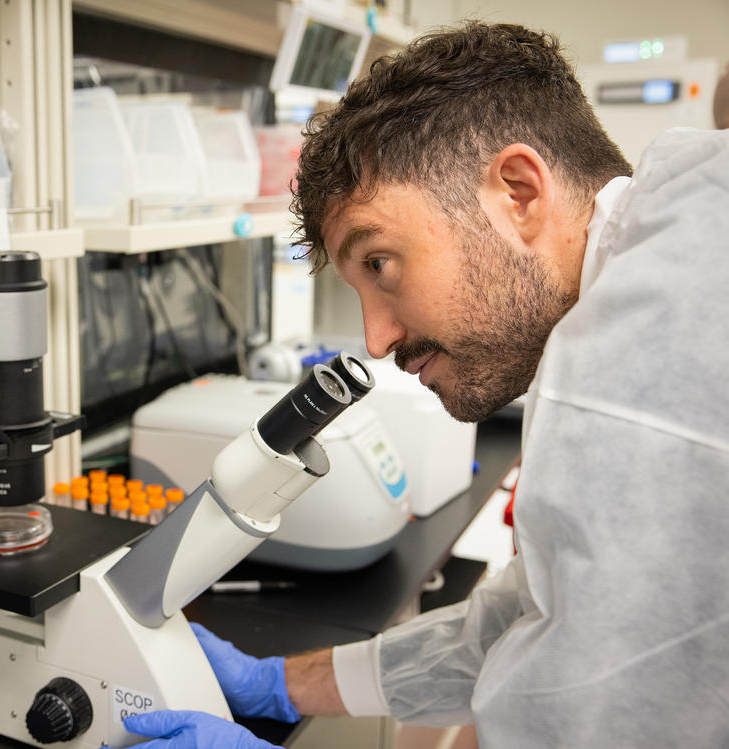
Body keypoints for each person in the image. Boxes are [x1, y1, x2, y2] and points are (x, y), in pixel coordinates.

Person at [124, 21, 729, 748]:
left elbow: (590, 721)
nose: (376, 340)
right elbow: (551, 611)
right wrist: (283, 683)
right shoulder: (676, 221)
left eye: (380, 263)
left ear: (518, 192)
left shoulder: (639, 358)